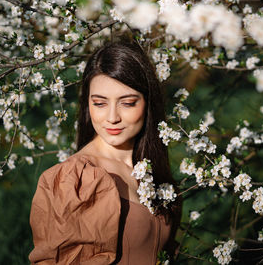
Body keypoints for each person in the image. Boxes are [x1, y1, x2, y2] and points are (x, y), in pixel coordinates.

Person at [28, 41, 181, 264]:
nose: (112, 117)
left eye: (127, 103)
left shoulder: (151, 169)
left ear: (148, 103)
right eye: (99, 103)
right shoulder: (75, 179)